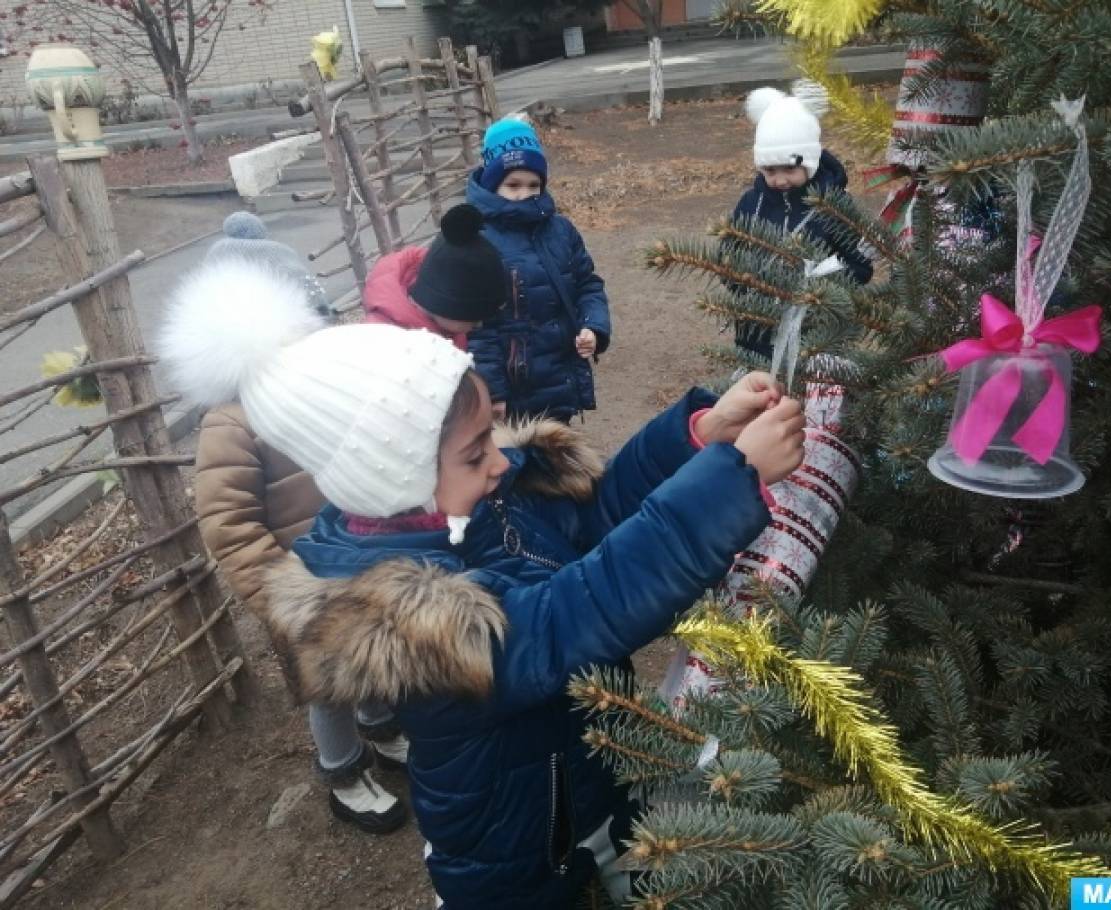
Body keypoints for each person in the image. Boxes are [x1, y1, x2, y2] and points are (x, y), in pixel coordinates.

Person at [157, 269, 806, 908]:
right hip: (514, 858)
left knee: (619, 854)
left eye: (490, 436)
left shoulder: (480, 504)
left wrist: (700, 437)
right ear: (396, 476)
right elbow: (575, 615)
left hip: (594, 772)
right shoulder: (407, 622)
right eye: (475, 453)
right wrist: (732, 479)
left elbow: (595, 522)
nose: (499, 460)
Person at [182, 217, 413, 835]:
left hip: (357, 553)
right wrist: (283, 594)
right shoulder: (230, 422)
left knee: (372, 650)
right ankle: (342, 771)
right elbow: (228, 523)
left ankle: (382, 727)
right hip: (300, 582)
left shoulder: (319, 388)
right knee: (328, 683)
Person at [465, 116, 610, 423]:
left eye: (534, 185)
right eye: (513, 185)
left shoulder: (560, 230)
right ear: (492, 183)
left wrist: (593, 326)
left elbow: (587, 284)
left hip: (560, 382)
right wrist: (493, 392)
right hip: (513, 393)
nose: (525, 194)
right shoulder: (478, 240)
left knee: (557, 449)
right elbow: (477, 328)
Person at [730, 83, 874, 357]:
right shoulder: (751, 203)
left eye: (790, 168)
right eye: (770, 170)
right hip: (756, 329)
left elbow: (859, 265)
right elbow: (729, 252)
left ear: (810, 162)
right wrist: (742, 281)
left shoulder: (833, 206)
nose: (780, 180)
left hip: (816, 332)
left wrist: (822, 292)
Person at [362, 204, 509, 349]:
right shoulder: (383, 342)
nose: (479, 325)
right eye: (474, 319)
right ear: (447, 307)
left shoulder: (444, 325)